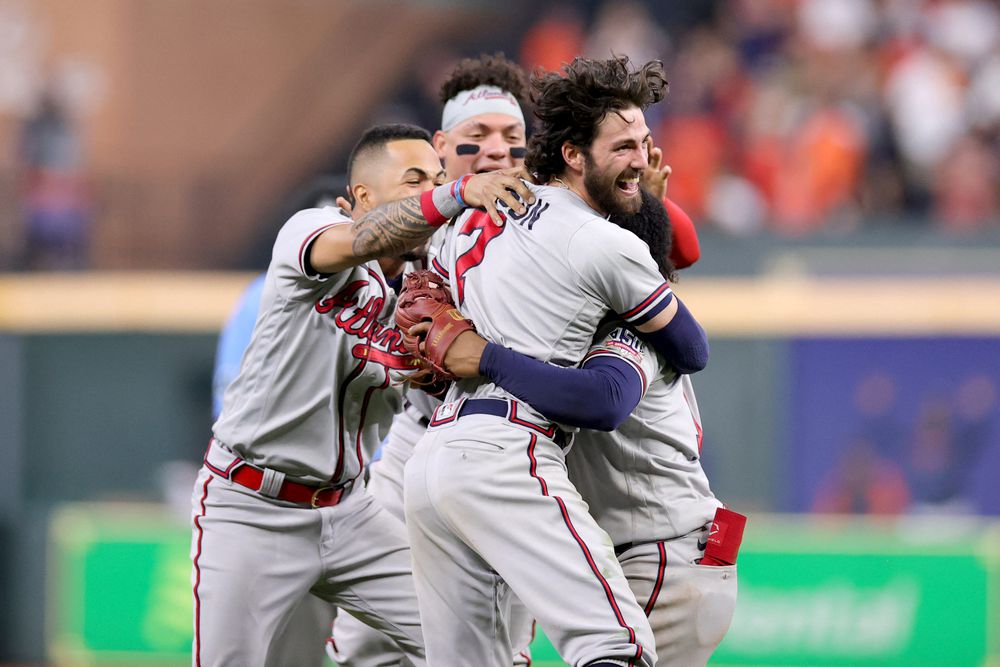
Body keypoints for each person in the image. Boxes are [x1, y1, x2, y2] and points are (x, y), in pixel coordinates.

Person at [402, 55, 708, 667]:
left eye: (646, 143)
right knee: (615, 647)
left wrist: (478, 349)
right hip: (510, 451)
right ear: (574, 154)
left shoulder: (477, 217)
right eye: (623, 146)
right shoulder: (606, 243)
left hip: (430, 463)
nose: (643, 160)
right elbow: (693, 350)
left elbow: (418, 290)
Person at [191, 122, 532, 667]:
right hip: (253, 507)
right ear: (362, 197)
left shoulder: (438, 281)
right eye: (414, 179)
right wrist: (460, 190)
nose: (431, 190)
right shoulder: (314, 228)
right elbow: (364, 239)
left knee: (475, 648)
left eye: (438, 177)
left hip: (352, 513)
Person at [328, 51, 539, 667]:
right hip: (410, 444)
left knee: (492, 645)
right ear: (441, 148)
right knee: (363, 641)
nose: (497, 150)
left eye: (512, 137)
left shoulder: (549, 227)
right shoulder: (410, 225)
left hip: (506, 449)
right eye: (477, 138)